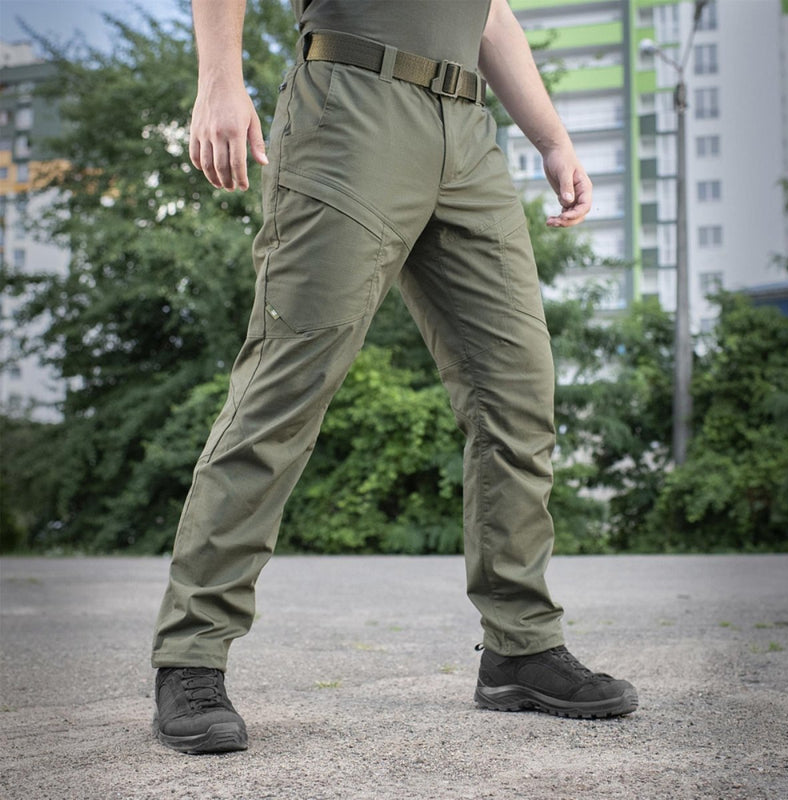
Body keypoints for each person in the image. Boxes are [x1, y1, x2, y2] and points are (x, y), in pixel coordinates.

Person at [151, 0, 638, 755]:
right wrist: (219, 80)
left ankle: (521, 645)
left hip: (468, 131)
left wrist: (552, 137)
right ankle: (191, 654)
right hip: (351, 109)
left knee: (518, 394)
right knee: (283, 393)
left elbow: (491, 13)